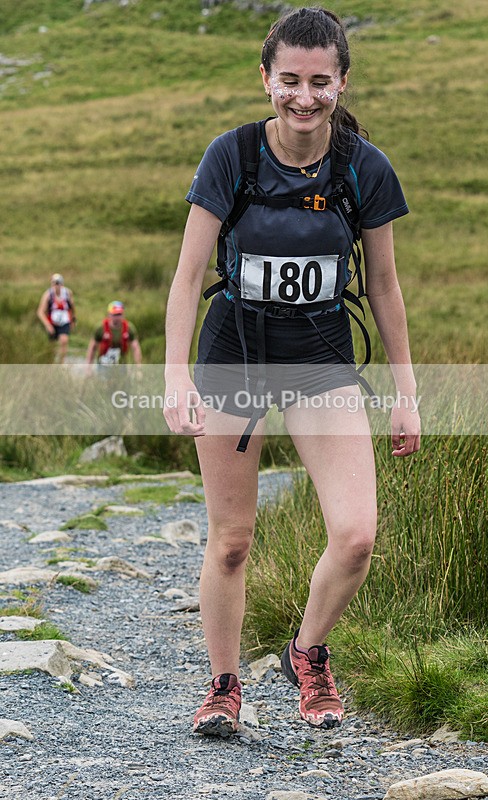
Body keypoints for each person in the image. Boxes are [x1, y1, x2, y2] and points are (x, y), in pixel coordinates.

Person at [164, 6, 420, 737]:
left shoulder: (363, 169)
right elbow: (185, 280)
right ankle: (221, 687)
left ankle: (306, 654)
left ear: (341, 81)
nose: (302, 97)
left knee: (355, 536)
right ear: (265, 78)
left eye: (318, 82)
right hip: (232, 360)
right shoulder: (231, 157)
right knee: (233, 539)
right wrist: (175, 377)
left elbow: (384, 286)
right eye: (288, 81)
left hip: (320, 365)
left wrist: (406, 396)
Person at [86, 301, 142, 368]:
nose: (117, 317)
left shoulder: (129, 328)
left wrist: (138, 367)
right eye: (115, 314)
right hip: (103, 364)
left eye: (119, 314)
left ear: (123, 314)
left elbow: (136, 348)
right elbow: (92, 348)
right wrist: (88, 367)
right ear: (109, 314)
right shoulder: (100, 328)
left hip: (121, 365)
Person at [37, 273, 76, 364]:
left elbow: (72, 307)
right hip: (52, 322)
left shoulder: (67, 293)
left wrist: (73, 320)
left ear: (62, 284)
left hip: (64, 321)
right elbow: (40, 312)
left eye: (58, 283)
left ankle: (61, 363)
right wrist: (47, 325)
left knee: (64, 340)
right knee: (52, 345)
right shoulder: (48, 295)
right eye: (54, 283)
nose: (56, 286)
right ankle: (50, 362)